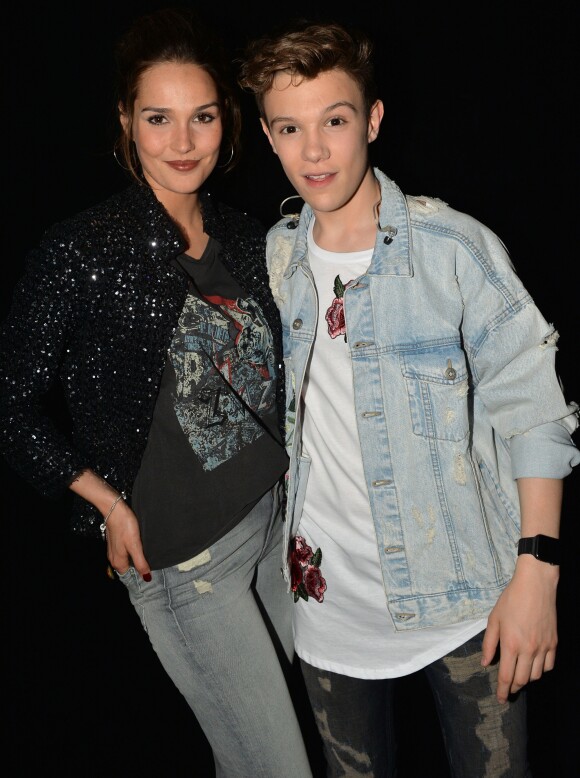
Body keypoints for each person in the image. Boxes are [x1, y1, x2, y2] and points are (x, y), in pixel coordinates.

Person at [238, 19, 580, 777]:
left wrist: (539, 573)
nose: (315, 150)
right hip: (326, 609)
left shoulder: (454, 249)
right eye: (291, 128)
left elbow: (537, 412)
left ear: (374, 120)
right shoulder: (277, 255)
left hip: (465, 599)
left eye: (335, 120)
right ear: (268, 136)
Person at [0, 7, 314, 777]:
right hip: (185, 564)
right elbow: (10, 404)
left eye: (201, 117)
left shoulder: (249, 235)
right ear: (125, 122)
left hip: (274, 527)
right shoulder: (82, 250)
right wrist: (105, 504)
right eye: (159, 118)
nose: (182, 143)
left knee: (299, 741)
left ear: (226, 121)